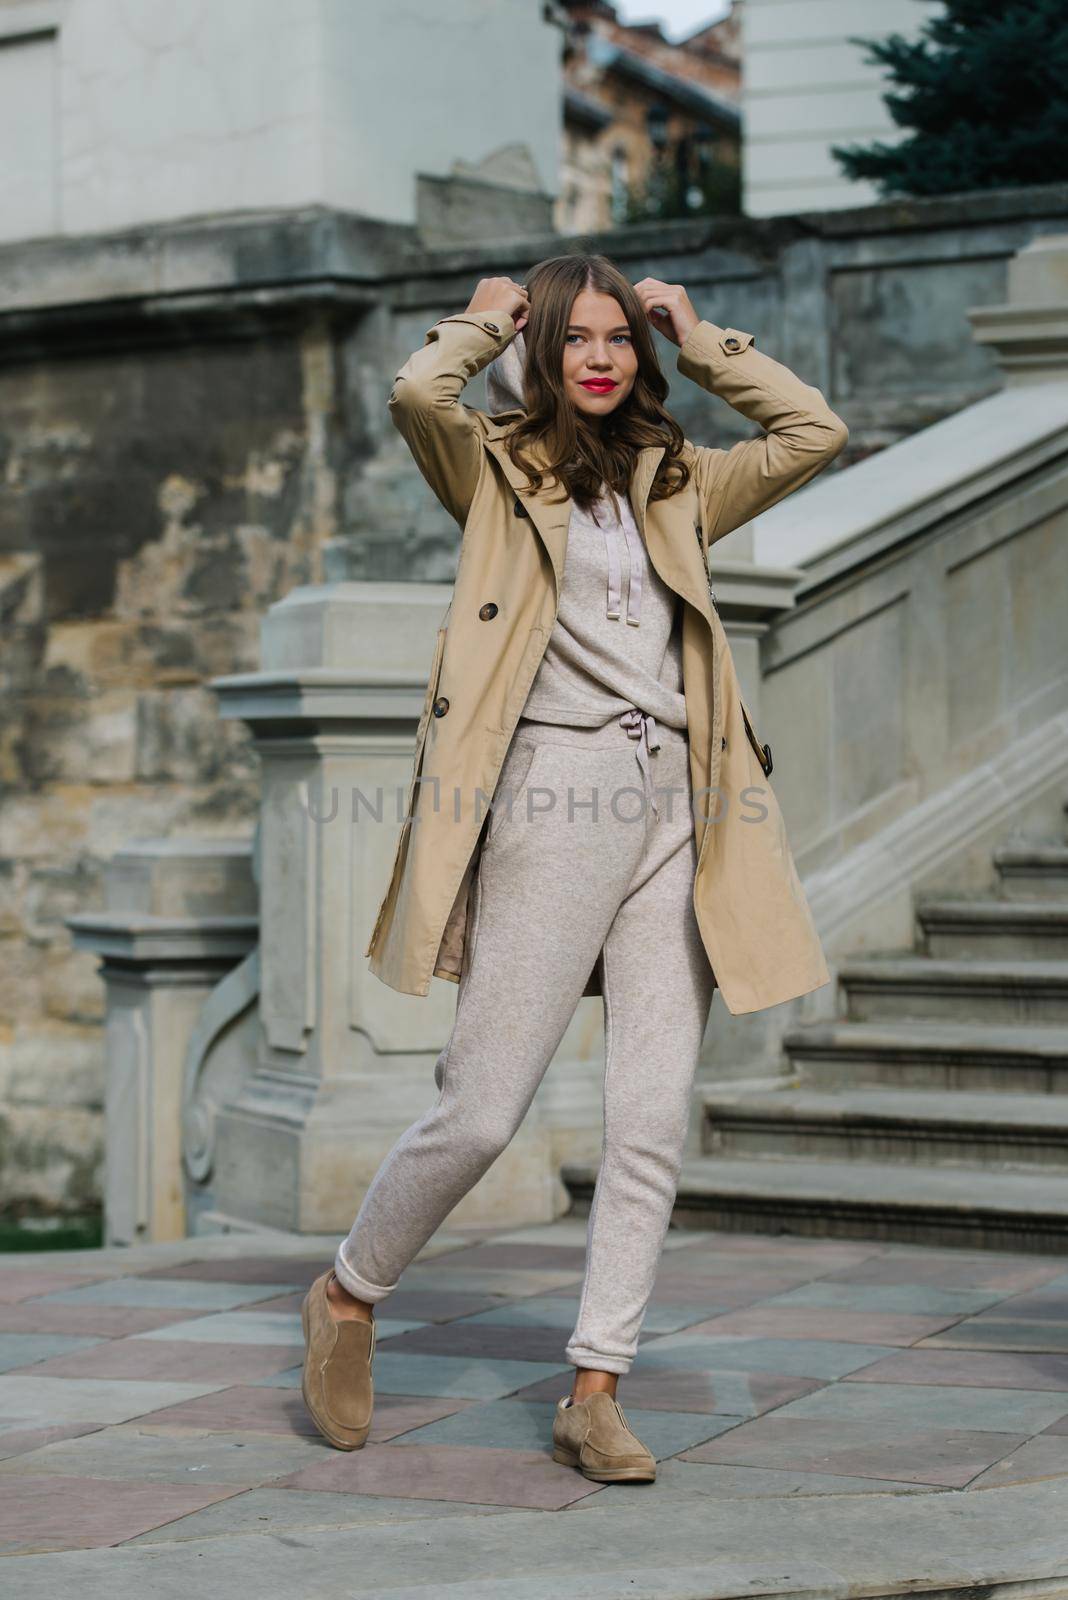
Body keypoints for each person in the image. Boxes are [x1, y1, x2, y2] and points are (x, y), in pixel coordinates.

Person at [300, 254, 848, 1481]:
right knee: (484, 1108)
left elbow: (816, 430)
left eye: (616, 338)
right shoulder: (492, 467)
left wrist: (701, 337)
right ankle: (350, 1290)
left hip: (681, 807)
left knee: (650, 1114)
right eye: (572, 338)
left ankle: (596, 1386)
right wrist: (486, 319)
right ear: (539, 354)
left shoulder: (678, 480)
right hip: (553, 796)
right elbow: (412, 397)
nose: (597, 356)